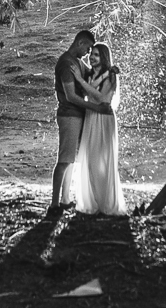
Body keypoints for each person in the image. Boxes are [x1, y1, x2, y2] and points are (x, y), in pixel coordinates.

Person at [50, 29, 111, 215]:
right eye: (88, 48)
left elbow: (91, 75)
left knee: (71, 160)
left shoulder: (77, 62)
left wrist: (108, 71)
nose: (88, 53)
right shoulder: (67, 64)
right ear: (80, 43)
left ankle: (65, 199)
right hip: (69, 115)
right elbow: (71, 96)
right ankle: (54, 203)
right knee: (64, 159)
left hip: (78, 115)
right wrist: (95, 108)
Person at [71, 41, 127, 215]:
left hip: (104, 118)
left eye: (96, 55)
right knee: (89, 159)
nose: (92, 57)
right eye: (91, 54)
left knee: (102, 160)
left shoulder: (111, 76)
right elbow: (88, 93)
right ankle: (92, 201)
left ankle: (106, 202)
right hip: (91, 117)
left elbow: (101, 98)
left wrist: (81, 80)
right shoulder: (90, 75)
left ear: (103, 57)